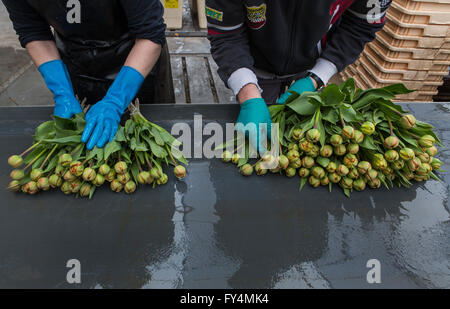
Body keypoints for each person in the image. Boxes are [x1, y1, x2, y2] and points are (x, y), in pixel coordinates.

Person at [206, 0, 392, 151]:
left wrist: (318, 76)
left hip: (312, 65)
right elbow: (226, 35)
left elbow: (360, 26)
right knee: (254, 141)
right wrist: (247, 93)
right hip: (253, 65)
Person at [2, 0, 172, 150]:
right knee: (89, 146)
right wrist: (63, 92)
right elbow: (34, 33)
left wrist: (115, 100)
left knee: (148, 143)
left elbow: (149, 34)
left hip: (136, 62)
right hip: (77, 60)